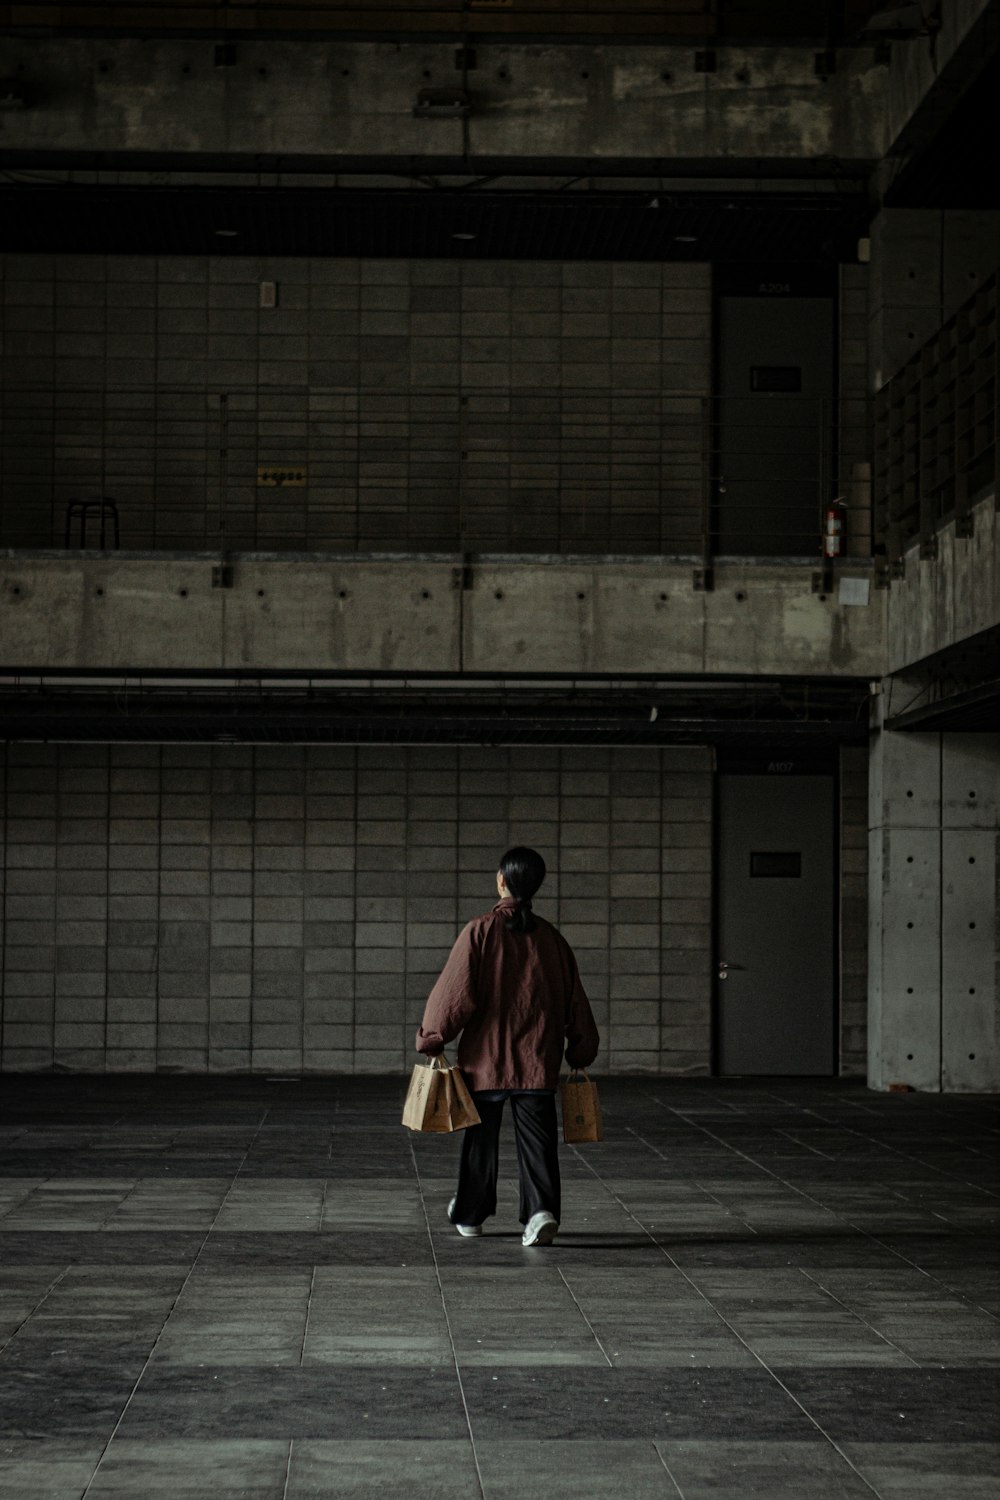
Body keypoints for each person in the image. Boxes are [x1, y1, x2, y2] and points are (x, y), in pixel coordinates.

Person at [415, 846, 600, 1247]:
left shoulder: (479, 932)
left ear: (502, 881)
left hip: (486, 1063)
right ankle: (540, 1213)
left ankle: (470, 1215)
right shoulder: (552, 940)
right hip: (537, 1061)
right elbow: (575, 1001)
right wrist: (581, 1050)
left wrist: (432, 1038)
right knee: (539, 1142)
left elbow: (453, 995)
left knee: (480, 1140)